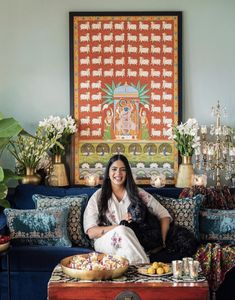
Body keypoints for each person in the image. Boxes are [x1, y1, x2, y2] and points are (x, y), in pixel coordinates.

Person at [83, 154, 198, 265]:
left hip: (134, 243)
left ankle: (132, 272)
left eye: (123, 169)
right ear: (108, 173)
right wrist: (118, 227)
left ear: (127, 173)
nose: (118, 173)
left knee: (126, 239)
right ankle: (145, 267)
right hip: (105, 241)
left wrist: (162, 242)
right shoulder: (98, 196)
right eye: (114, 169)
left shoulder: (137, 193)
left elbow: (164, 215)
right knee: (123, 231)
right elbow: (91, 232)